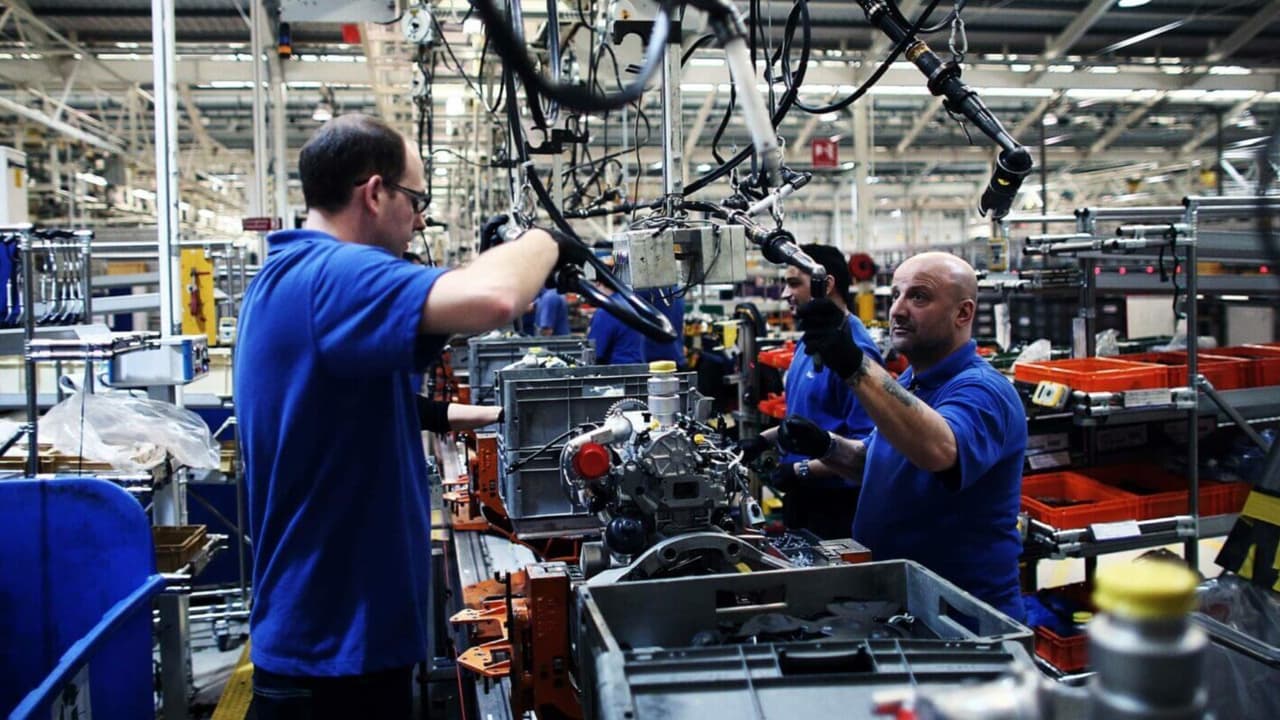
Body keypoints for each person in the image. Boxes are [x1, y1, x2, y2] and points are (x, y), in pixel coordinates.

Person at [235, 113, 592, 718]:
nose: (420, 219)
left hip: (335, 649)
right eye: (415, 199)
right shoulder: (331, 275)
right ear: (374, 193)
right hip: (331, 666)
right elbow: (495, 300)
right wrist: (546, 241)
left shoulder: (293, 279)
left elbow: (373, 405)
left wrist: (487, 415)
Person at [785, 251, 1027, 621]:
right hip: (905, 600)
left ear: (963, 313)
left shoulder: (982, 390)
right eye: (895, 294)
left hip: (961, 617)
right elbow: (878, 464)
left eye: (918, 297)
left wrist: (855, 365)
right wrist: (825, 446)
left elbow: (940, 451)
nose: (897, 310)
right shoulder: (911, 382)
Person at [738, 244, 882, 539]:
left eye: (793, 284)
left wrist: (801, 470)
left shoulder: (856, 353)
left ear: (825, 284)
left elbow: (868, 448)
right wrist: (758, 442)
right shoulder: (811, 340)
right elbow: (806, 420)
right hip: (803, 497)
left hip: (836, 507)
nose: (785, 294)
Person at [586, 279, 646, 365]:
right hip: (639, 369)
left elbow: (594, 353)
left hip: (617, 371)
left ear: (598, 284)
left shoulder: (606, 310)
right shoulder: (629, 302)